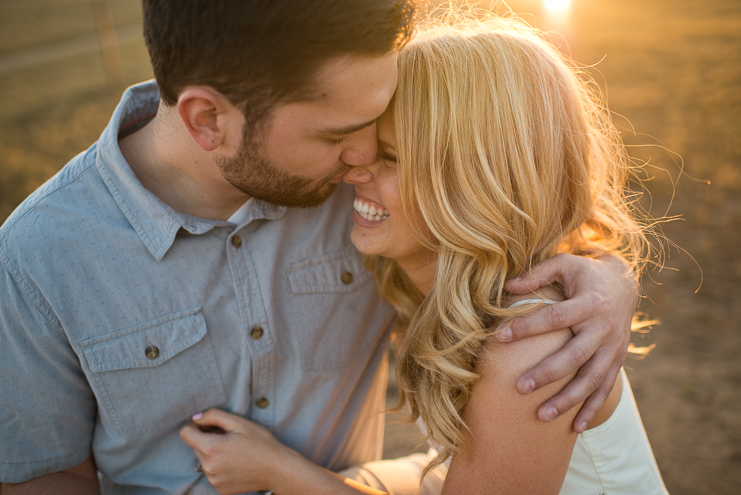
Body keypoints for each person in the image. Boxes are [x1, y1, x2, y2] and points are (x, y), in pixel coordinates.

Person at [0, 2, 638, 494]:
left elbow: (497, 202)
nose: (360, 161)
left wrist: (605, 279)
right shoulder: (39, 257)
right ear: (207, 121)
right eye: (341, 134)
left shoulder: (350, 191)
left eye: (379, 132)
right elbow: (41, 473)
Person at [178, 13, 669, 495]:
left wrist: (282, 474)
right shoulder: (447, 291)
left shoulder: (530, 347)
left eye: (390, 157)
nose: (356, 168)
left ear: (474, 184)